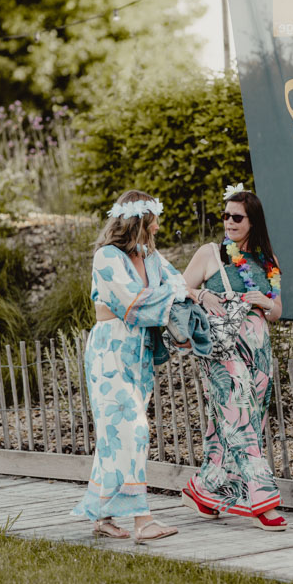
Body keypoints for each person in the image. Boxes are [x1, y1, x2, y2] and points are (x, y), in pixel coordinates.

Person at [72, 189, 200, 542]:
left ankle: (103, 515)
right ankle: (143, 520)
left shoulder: (149, 256)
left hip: (139, 353)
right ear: (137, 221)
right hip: (110, 352)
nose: (157, 227)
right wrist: (177, 293)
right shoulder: (107, 257)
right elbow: (132, 302)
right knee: (133, 430)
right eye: (153, 220)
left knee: (115, 435)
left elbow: (177, 282)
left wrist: (189, 294)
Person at [181, 184, 288, 531]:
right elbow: (177, 287)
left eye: (237, 217)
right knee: (238, 416)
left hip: (258, 351)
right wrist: (202, 295)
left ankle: (204, 489)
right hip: (223, 349)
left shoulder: (268, 262)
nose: (229, 222)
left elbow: (277, 312)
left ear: (252, 221)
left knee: (242, 421)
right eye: (225, 215)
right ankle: (263, 501)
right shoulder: (211, 253)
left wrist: (265, 301)